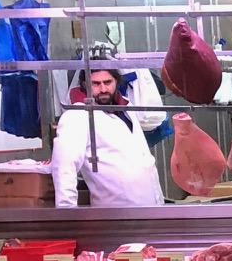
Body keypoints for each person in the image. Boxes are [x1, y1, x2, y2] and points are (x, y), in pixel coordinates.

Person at [52, 67, 164, 207]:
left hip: (151, 206)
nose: (103, 89)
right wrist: (66, 211)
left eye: (107, 82)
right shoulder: (77, 116)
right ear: (84, 85)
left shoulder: (125, 107)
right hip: (114, 211)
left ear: (116, 81)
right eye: (95, 84)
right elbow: (64, 167)